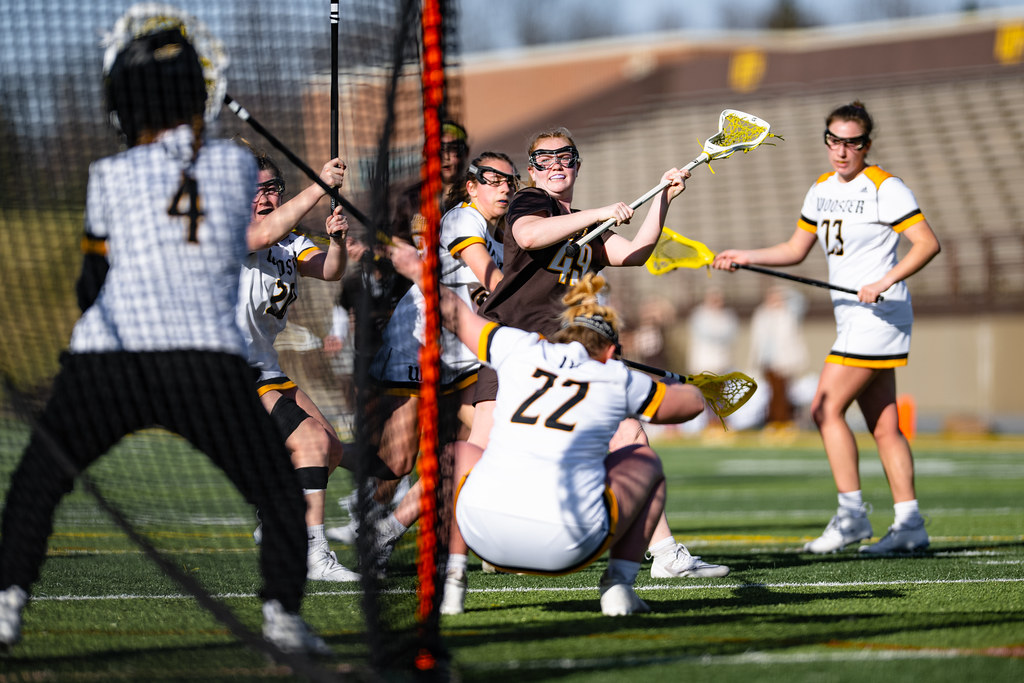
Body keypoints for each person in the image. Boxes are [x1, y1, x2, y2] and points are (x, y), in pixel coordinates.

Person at [0, 11, 328, 655]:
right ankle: (283, 617)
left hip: (111, 358)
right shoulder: (237, 173)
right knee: (277, 491)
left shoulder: (108, 175)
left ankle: (8, 606)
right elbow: (247, 219)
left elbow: (92, 282)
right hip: (204, 363)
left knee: (38, 481)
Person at [469, 127, 730, 580]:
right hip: (512, 345)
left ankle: (666, 554)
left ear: (576, 163)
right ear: (531, 170)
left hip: (568, 355)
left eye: (564, 157)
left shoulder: (586, 224)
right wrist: (599, 212)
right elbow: (530, 236)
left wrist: (663, 199)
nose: (555, 165)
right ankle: (412, 536)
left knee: (630, 436)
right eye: (544, 158)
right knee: (479, 451)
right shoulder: (532, 203)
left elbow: (634, 254)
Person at [386, 256, 708, 615]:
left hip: (486, 539)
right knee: (643, 458)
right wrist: (663, 384)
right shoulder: (618, 377)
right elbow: (693, 404)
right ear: (612, 352)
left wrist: (416, 268)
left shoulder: (517, 349)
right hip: (571, 547)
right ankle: (619, 585)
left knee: (458, 452)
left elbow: (454, 311)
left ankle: (453, 581)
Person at [712, 101, 941, 555]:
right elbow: (796, 249)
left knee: (823, 407)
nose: (841, 151)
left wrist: (884, 280)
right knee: (884, 424)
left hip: (878, 315)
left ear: (866, 145)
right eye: (834, 140)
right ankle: (910, 523)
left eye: (851, 142)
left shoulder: (885, 187)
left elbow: (927, 243)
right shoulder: (820, 188)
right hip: (851, 318)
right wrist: (746, 256)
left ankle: (852, 515)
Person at [328, 153, 516, 564]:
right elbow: (495, 286)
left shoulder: (501, 240)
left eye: (510, 181)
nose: (504, 188)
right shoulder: (462, 221)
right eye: (493, 180)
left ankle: (391, 531)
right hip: (416, 347)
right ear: (472, 186)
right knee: (394, 462)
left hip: (460, 359)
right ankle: (315, 454)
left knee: (486, 448)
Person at [239, 145, 363, 582]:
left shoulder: (289, 241)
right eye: (255, 190)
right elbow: (261, 236)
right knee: (309, 443)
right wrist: (320, 186)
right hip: (228, 371)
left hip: (265, 367)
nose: (266, 197)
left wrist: (337, 241)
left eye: (272, 188)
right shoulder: (229, 229)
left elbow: (330, 271)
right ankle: (311, 554)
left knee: (330, 449)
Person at [747, 285, 808, 431]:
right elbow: (756, 340)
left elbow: (801, 301)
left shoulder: (788, 313)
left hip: (784, 361)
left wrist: (784, 290)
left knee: (783, 392)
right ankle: (773, 421)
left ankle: (784, 421)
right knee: (772, 394)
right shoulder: (762, 314)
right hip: (767, 361)